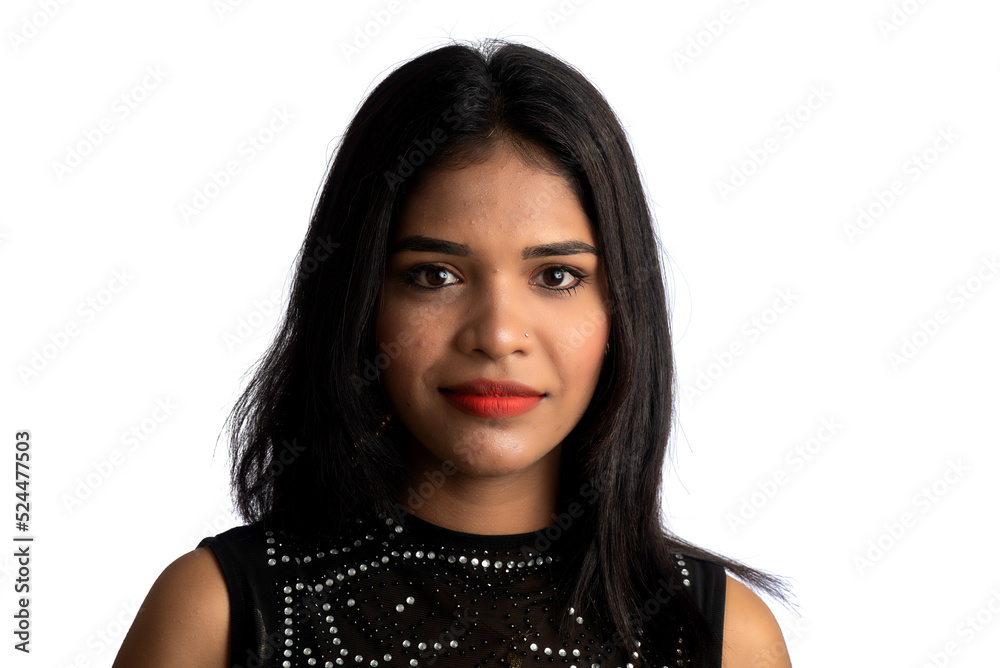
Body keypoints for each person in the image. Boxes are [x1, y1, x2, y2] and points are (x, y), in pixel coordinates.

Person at [113, 39, 793, 668]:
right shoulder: (217, 617)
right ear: (357, 302)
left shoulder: (720, 637)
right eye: (435, 275)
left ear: (623, 310)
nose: (498, 335)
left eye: (556, 277)